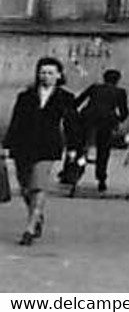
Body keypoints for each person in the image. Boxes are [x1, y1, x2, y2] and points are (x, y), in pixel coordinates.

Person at [3, 57, 83, 246]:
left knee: (38, 185)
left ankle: (30, 228)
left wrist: (74, 148)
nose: (45, 76)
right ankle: (37, 215)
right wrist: (6, 146)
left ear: (58, 75)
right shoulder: (25, 96)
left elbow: (72, 125)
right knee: (25, 187)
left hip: (47, 146)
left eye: (50, 73)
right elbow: (16, 121)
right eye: (42, 72)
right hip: (22, 146)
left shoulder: (66, 98)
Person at [76, 68, 129, 194]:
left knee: (82, 146)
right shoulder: (120, 92)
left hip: (88, 120)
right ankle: (101, 178)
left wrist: (79, 116)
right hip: (106, 122)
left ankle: (77, 171)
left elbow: (78, 102)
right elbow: (124, 111)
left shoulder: (94, 88)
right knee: (103, 151)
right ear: (118, 80)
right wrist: (117, 120)